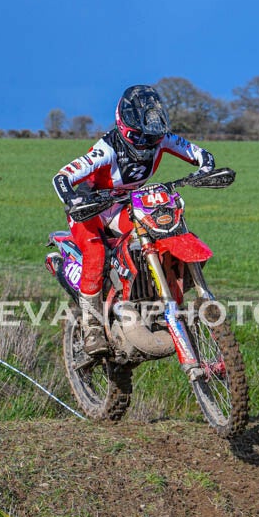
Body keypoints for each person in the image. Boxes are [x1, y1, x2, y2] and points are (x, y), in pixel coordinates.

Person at [52, 84, 216, 354]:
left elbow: (199, 154)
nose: (148, 143)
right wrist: (73, 200)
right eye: (141, 136)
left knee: (156, 234)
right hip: (89, 207)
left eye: (151, 136)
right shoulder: (106, 149)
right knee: (95, 253)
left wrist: (205, 168)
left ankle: (155, 300)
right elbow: (62, 177)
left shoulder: (161, 139)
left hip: (122, 204)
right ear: (126, 125)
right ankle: (92, 327)